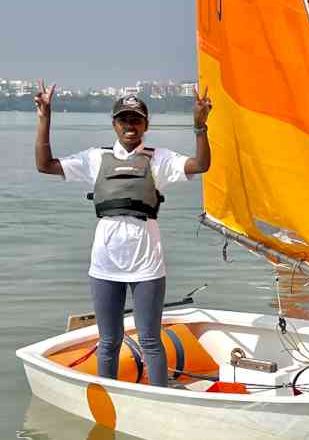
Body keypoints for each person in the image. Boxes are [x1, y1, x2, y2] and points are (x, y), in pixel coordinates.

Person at [34, 83, 212, 387]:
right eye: (124, 120)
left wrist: (199, 127)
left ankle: (159, 400)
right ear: (114, 124)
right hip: (104, 266)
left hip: (147, 265)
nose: (130, 126)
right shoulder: (96, 158)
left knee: (150, 340)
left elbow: (201, 164)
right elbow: (45, 165)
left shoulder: (160, 159)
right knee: (109, 341)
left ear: (146, 125)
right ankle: (110, 400)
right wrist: (44, 118)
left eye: (136, 120)